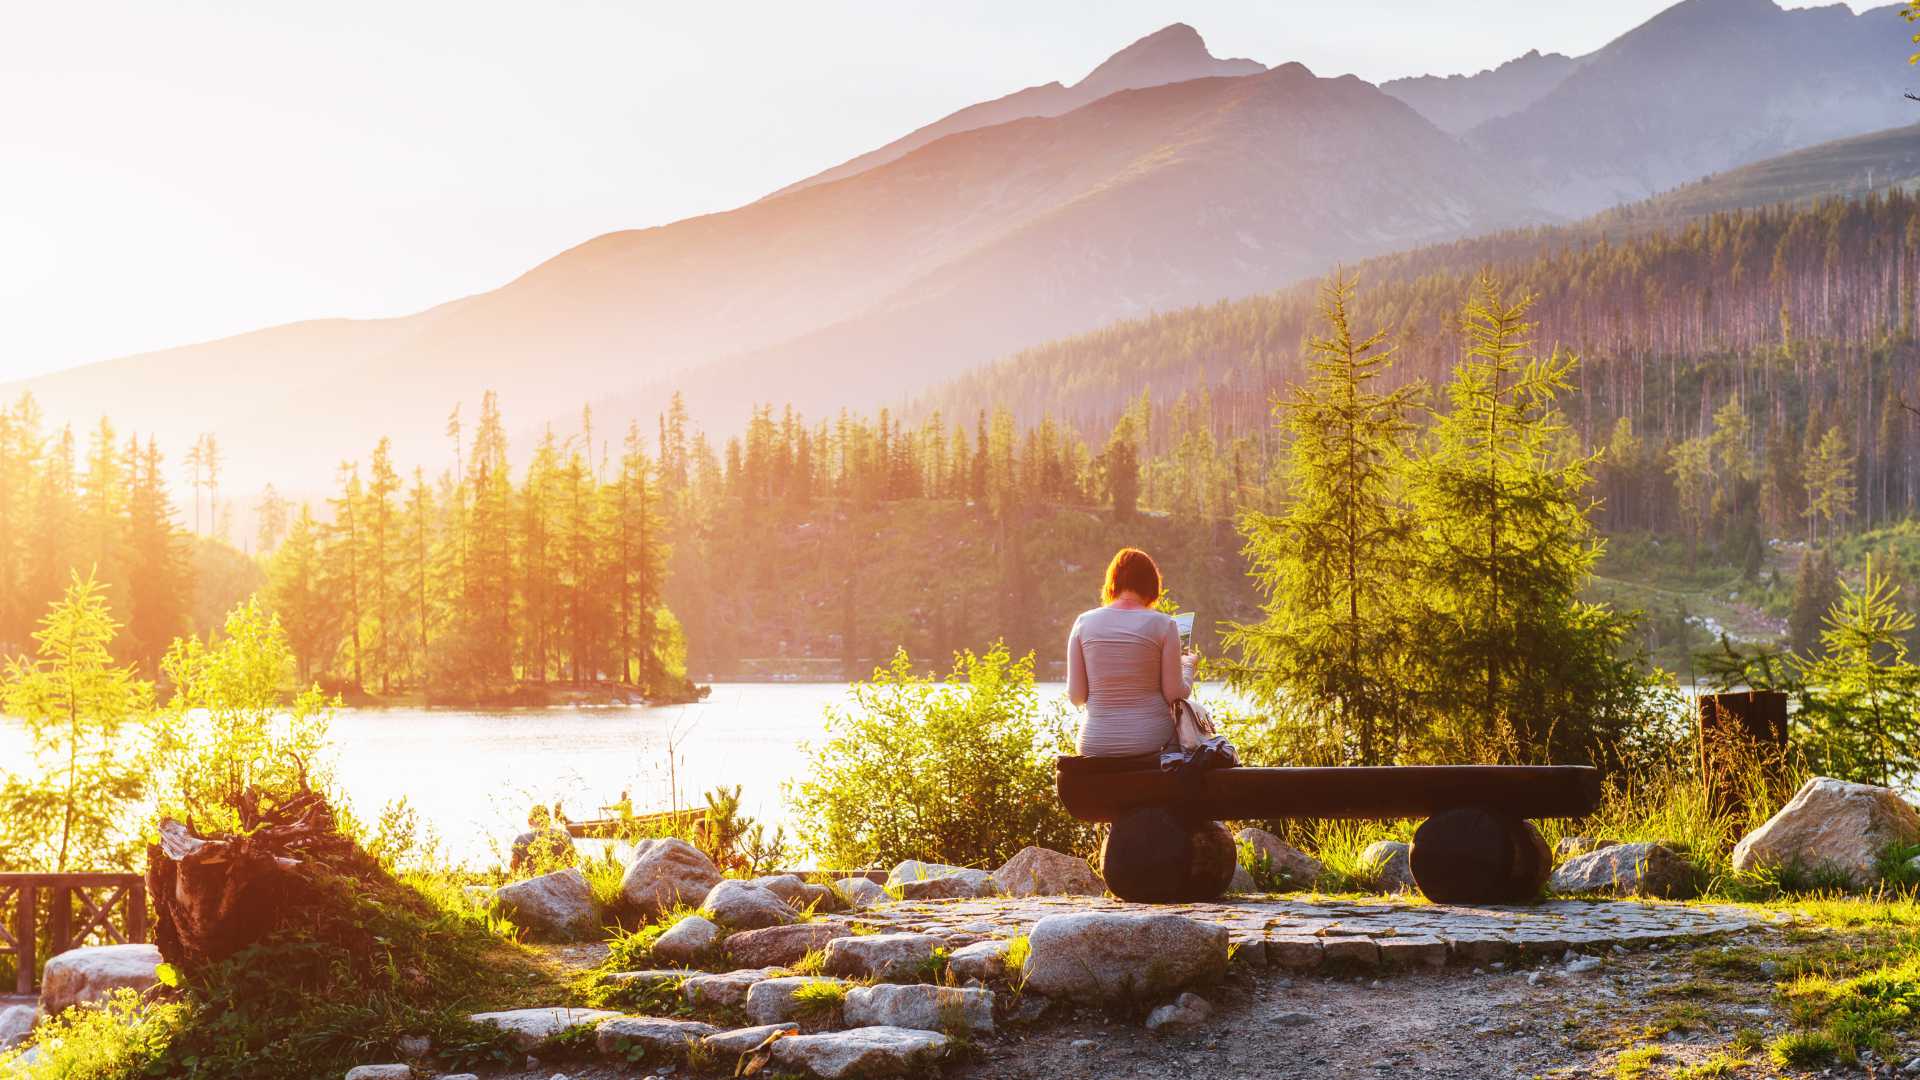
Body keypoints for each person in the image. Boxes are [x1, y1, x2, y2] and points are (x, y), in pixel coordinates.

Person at [1067, 547, 1195, 756]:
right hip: (1152, 743)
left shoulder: (1083, 623)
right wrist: (1188, 666)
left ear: (1112, 582)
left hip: (1095, 744)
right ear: (1152, 585)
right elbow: (1174, 695)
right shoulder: (1164, 624)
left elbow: (1076, 697)